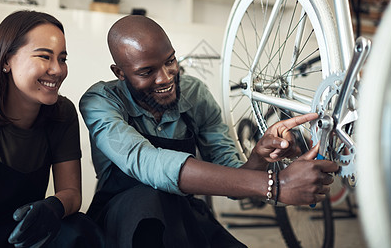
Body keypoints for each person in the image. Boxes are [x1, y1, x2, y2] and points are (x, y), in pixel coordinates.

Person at [79, 15, 339, 248]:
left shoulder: (195, 94)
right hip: (124, 216)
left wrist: (259, 158)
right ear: (120, 73)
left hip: (182, 211)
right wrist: (276, 185)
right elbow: (148, 163)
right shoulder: (100, 102)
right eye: (147, 72)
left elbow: (235, 182)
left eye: (170, 61)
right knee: (148, 204)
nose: (165, 77)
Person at [0, 10, 104, 247]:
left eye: (62, 58)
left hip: (26, 238)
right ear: (6, 60)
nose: (57, 70)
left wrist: (54, 206)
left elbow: (71, 193)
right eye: (44, 56)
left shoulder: (61, 114)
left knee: (78, 228)